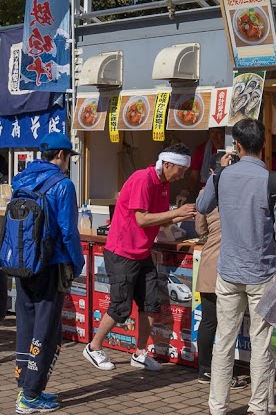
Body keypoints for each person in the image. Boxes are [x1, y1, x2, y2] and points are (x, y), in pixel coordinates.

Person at [196, 118, 276, 415]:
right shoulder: (275, 182)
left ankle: (218, 407)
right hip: (262, 273)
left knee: (224, 339)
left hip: (228, 271)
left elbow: (201, 205)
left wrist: (217, 172)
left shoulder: (222, 176)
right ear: (262, 146)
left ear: (236, 146)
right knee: (261, 341)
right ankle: (259, 409)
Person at [84, 144, 196, 372]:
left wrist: (184, 215)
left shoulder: (163, 185)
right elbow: (142, 219)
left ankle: (140, 353)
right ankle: (94, 347)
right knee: (120, 306)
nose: (182, 175)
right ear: (167, 164)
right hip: (122, 252)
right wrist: (177, 213)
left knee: (151, 303)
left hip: (143, 252)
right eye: (181, 170)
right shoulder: (142, 179)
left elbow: (161, 221)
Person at [9, 133, 84, 414]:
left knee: (26, 323)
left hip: (22, 261)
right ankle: (30, 396)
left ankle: (26, 383)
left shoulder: (23, 179)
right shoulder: (63, 185)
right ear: (62, 156)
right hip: (50, 265)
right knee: (47, 330)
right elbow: (68, 231)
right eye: (69, 158)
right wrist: (77, 265)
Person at [193, 207, 247, 390]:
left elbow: (200, 230)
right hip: (230, 266)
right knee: (225, 324)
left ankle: (205, 370)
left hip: (210, 262)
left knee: (209, 321)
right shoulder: (239, 192)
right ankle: (219, 374)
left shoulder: (206, 194)